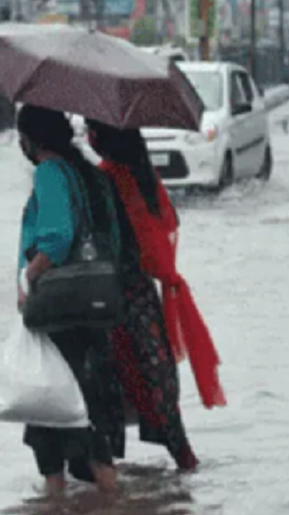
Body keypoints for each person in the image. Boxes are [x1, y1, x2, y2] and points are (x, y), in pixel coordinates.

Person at [87, 121, 226, 471]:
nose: (88, 135)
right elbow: (167, 224)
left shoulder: (106, 180)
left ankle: (105, 482)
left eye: (91, 129)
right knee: (156, 380)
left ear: (102, 138)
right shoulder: (145, 177)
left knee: (115, 385)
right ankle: (184, 461)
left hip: (113, 299)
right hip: (144, 296)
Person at [16, 104, 125, 496]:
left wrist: (29, 275)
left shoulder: (49, 174)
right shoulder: (90, 175)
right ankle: (112, 507)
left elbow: (58, 238)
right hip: (96, 305)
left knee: (50, 408)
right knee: (88, 406)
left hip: (60, 308)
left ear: (29, 140)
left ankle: (55, 511)